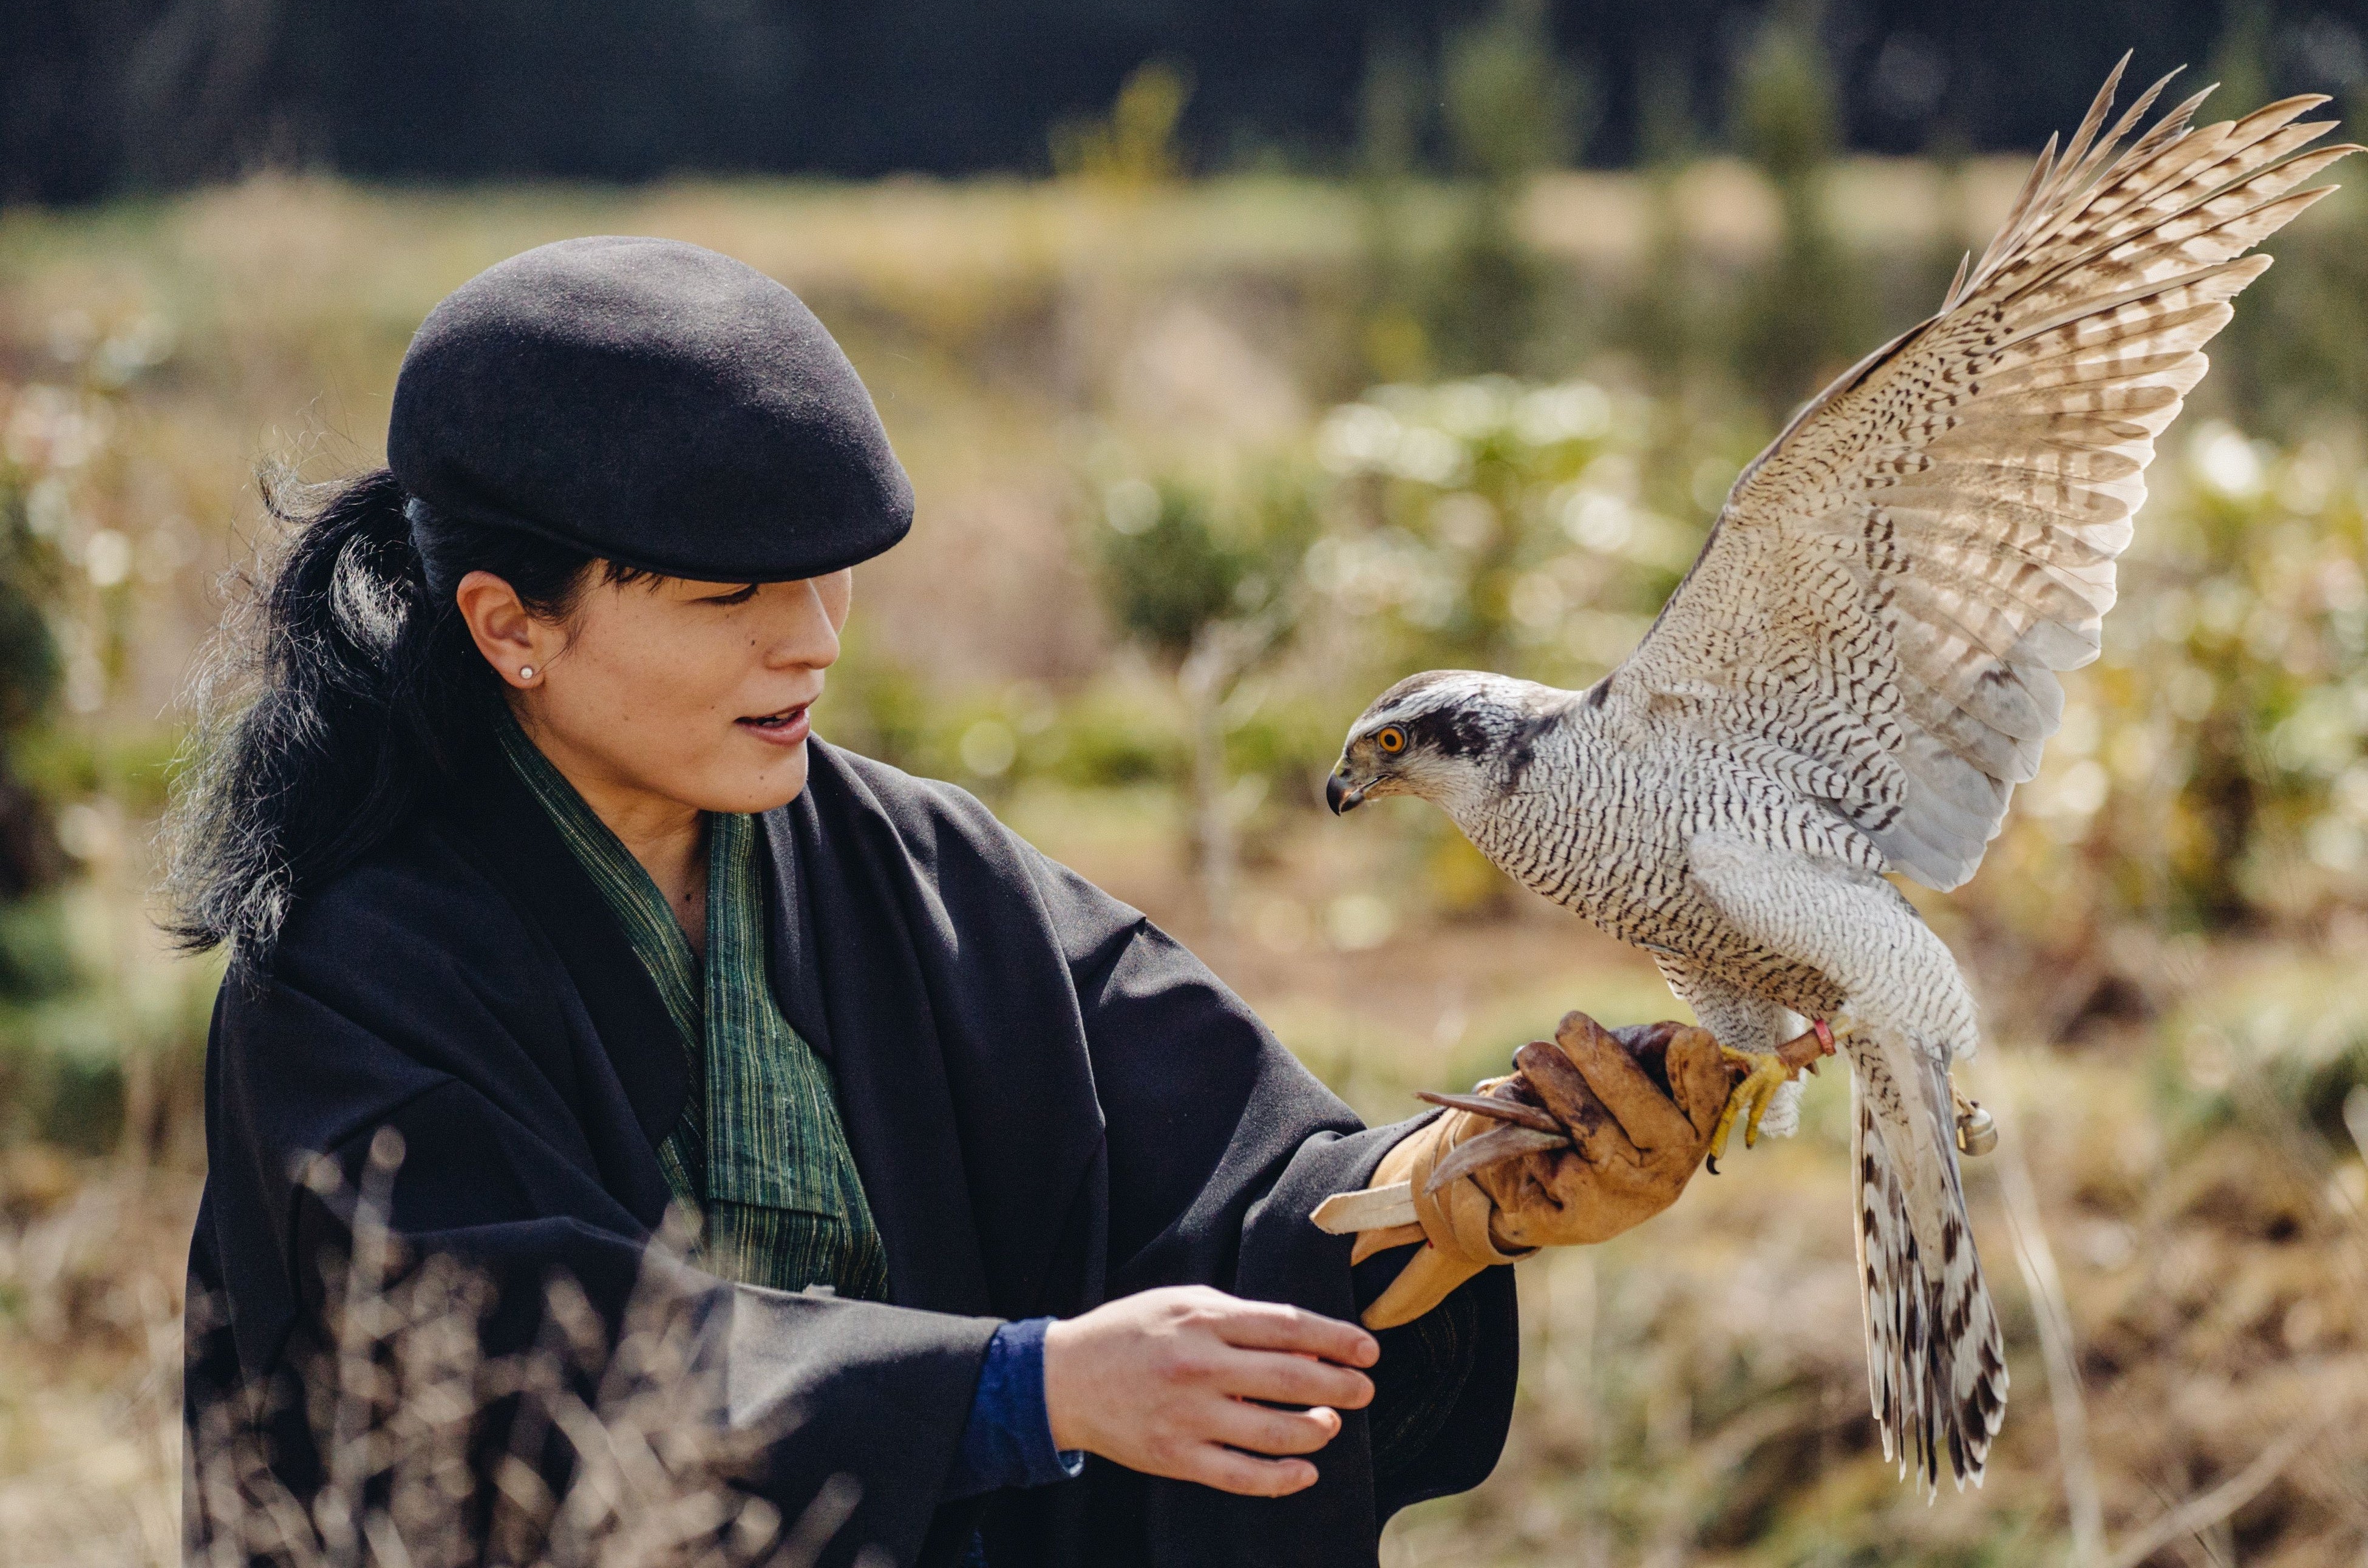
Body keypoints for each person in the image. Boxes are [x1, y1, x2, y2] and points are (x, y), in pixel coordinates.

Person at [168, 237, 1731, 1568]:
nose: (812, 640)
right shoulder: (354, 971)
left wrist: (1448, 1196)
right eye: (730, 595)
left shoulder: (917, 866)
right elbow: (513, 1385)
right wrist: (1022, 1390)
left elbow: (1225, 1182)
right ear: (512, 625)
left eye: (827, 573)